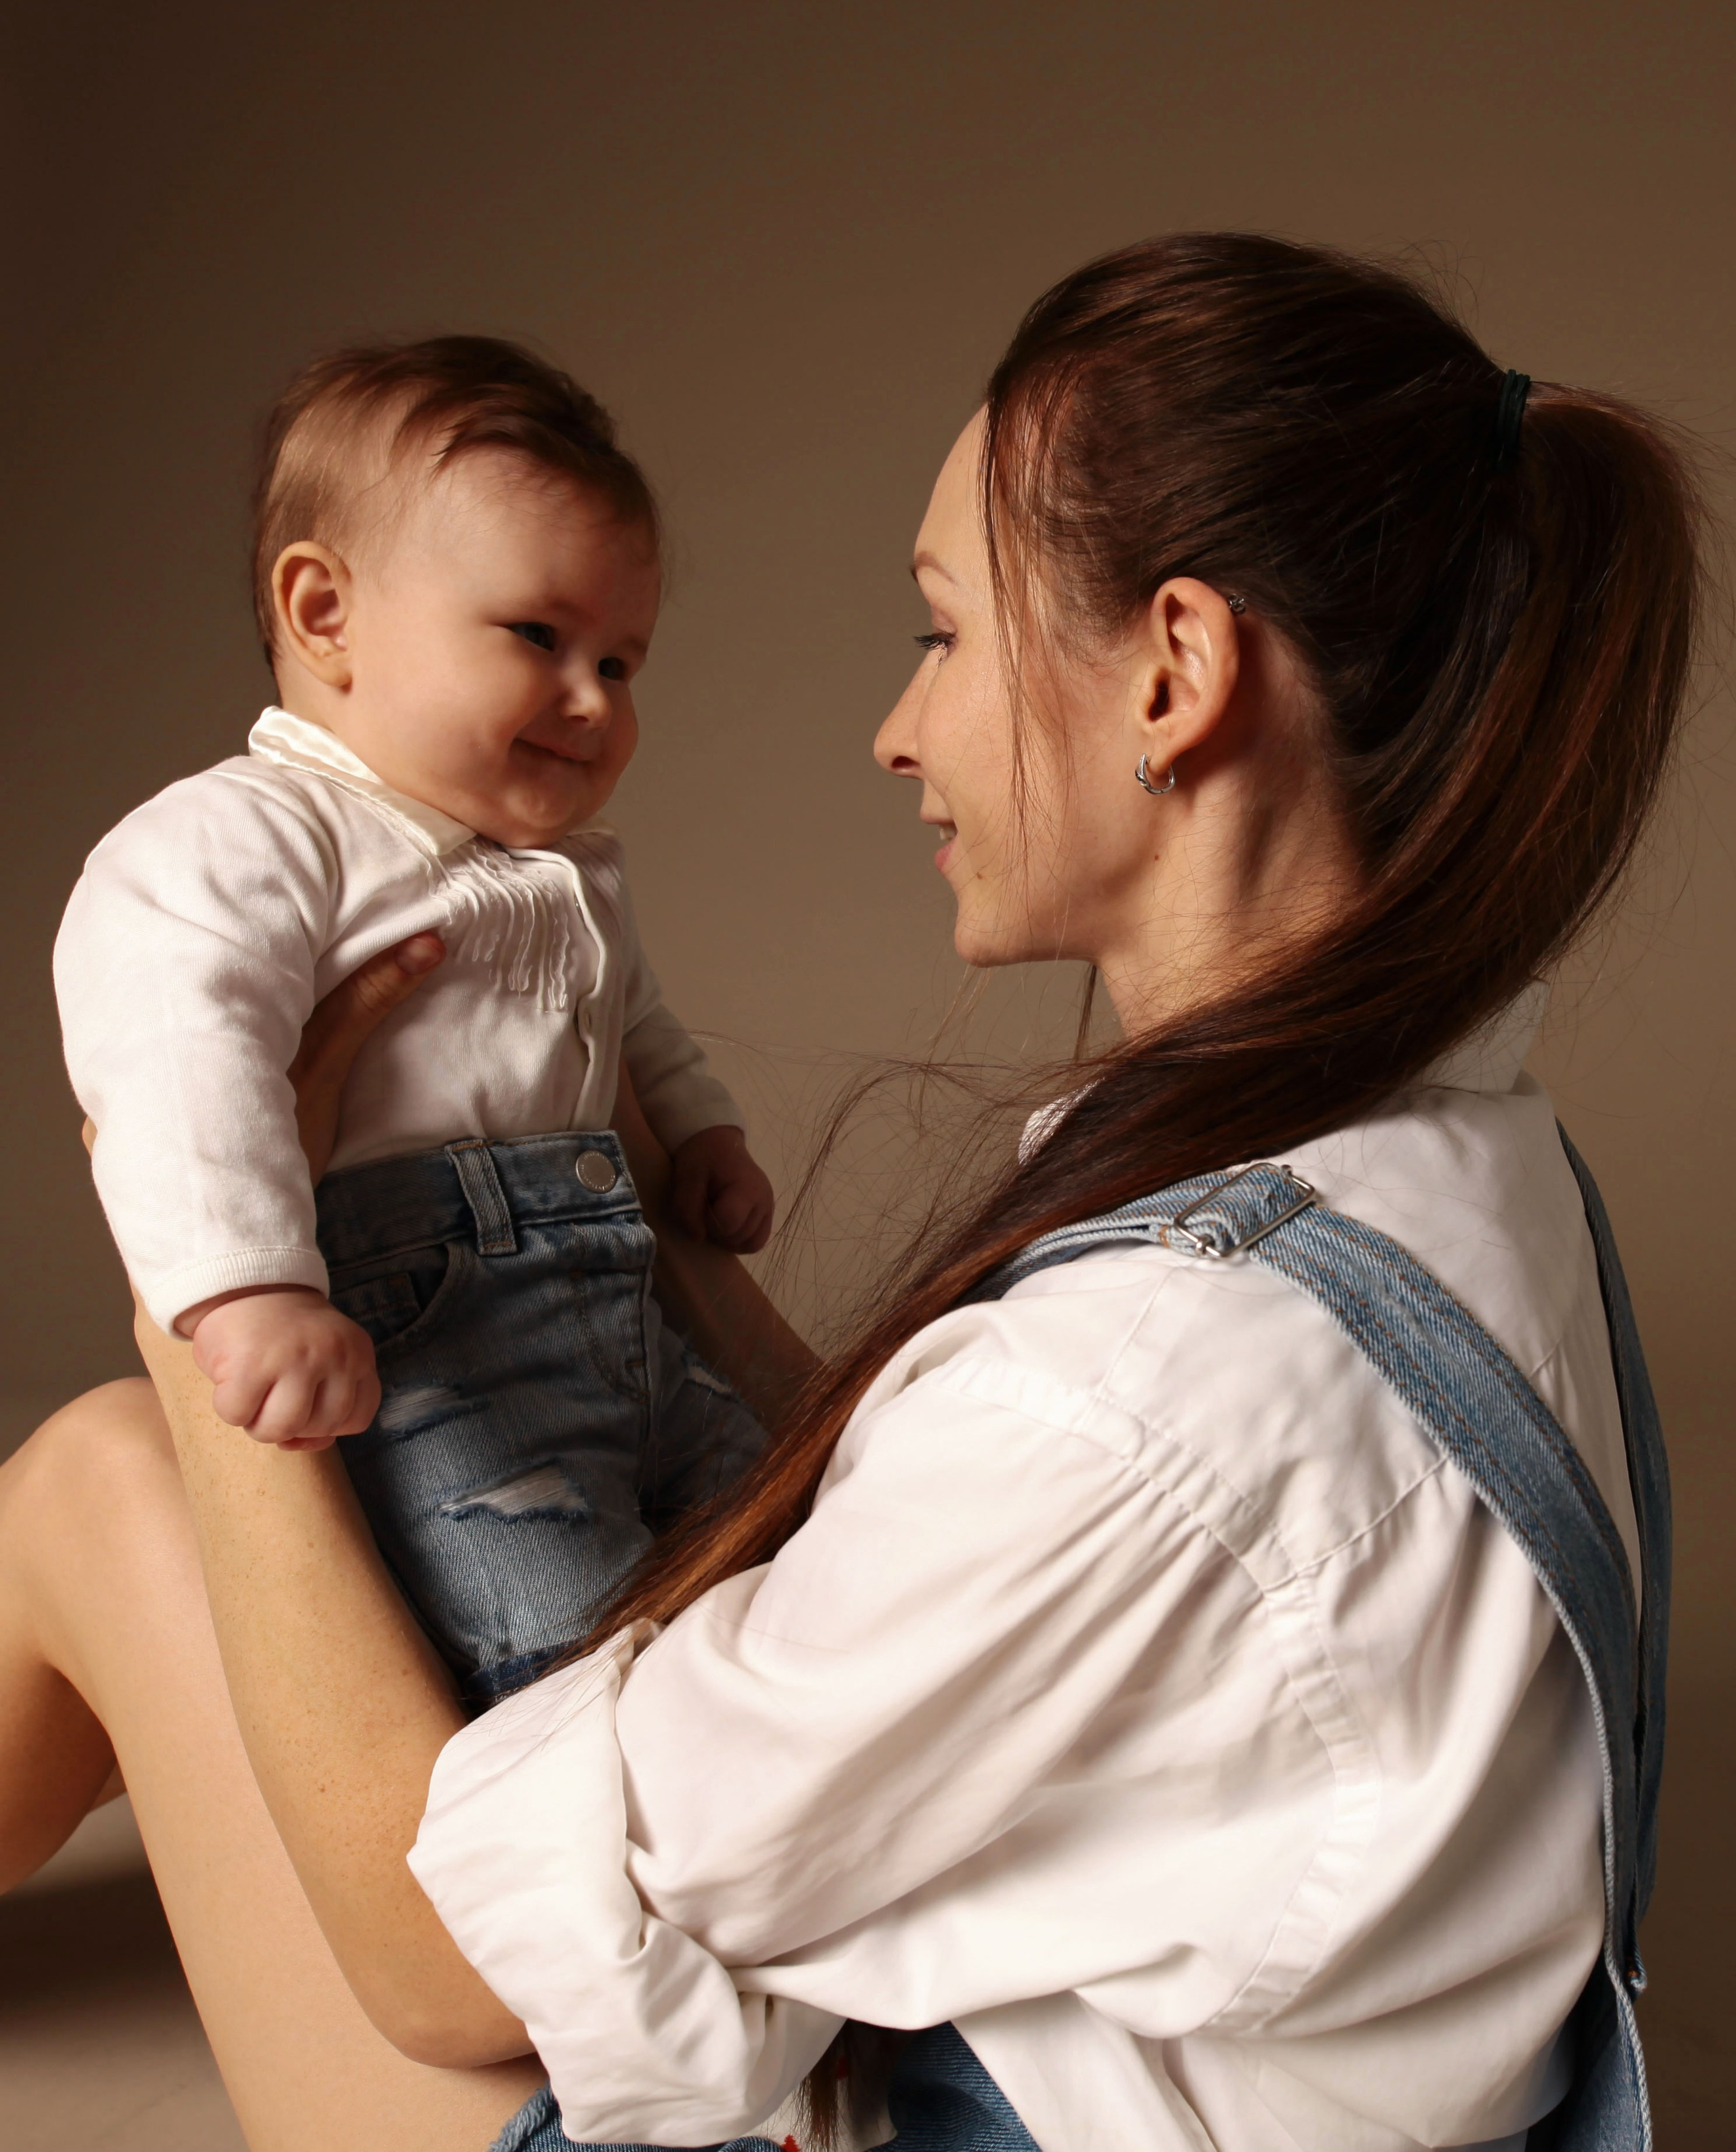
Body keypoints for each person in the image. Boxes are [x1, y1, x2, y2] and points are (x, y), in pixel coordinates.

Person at [0, 234, 1699, 2151]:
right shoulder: (1450, 1158)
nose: (902, 729)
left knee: (102, 1474)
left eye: (943, 630)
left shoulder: (1138, 1386)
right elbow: (922, 1527)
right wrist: (651, 1221)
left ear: (1177, 669)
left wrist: (206, 1291)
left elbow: (440, 1966)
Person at [53, 338, 777, 1702]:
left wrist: (701, 1137)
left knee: (782, 1557)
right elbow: (175, 1059)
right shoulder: (252, 838)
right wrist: (250, 1292)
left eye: (622, 663)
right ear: (323, 614)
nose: (594, 701)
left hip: (624, 1306)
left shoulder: (559, 873)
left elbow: (639, 1024)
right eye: (538, 637)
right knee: (573, 1655)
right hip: (430, 1340)